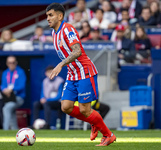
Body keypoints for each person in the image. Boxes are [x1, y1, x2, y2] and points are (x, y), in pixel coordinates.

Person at [46, 3, 116, 146]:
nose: (48, 18)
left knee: (85, 109)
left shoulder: (68, 29)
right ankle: (94, 121)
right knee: (65, 107)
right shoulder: (54, 33)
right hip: (72, 74)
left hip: (85, 72)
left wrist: (60, 64)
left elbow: (77, 51)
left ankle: (109, 135)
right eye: (47, 15)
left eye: (51, 15)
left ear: (60, 16)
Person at [1, 56, 26, 130]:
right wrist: (4, 90)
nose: (11, 64)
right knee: (11, 112)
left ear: (16, 63)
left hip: (18, 97)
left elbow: (22, 86)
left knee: (6, 108)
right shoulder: (5, 73)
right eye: (9, 63)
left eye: (13, 62)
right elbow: (2, 85)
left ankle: (5, 129)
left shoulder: (20, 72)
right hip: (8, 97)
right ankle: (14, 130)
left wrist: (11, 90)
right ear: (7, 63)